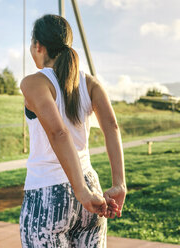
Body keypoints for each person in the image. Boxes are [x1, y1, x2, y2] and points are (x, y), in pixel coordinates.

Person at [19, 14, 126, 248]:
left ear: (38, 46)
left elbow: (59, 133)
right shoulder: (91, 83)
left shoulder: (33, 83)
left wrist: (81, 192)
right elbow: (112, 127)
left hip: (48, 193)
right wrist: (119, 183)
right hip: (90, 186)